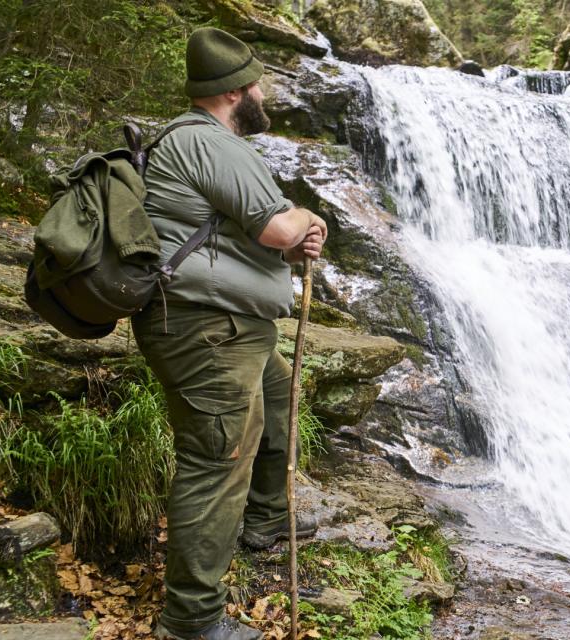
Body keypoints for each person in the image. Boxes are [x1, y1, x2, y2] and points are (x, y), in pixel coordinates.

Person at [134, 27, 328, 640]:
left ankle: (265, 520)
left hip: (224, 325)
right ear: (238, 92)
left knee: (276, 397)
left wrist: (292, 242)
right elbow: (274, 230)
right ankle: (191, 621)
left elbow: (228, 234)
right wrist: (307, 217)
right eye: (260, 84)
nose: (265, 93)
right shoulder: (211, 144)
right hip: (209, 330)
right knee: (217, 460)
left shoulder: (187, 141)